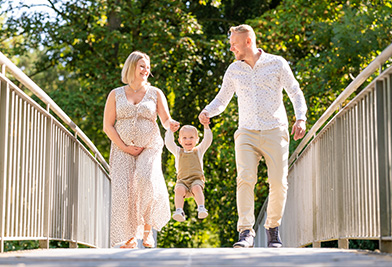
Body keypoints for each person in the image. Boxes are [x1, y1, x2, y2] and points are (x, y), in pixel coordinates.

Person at [199, 24, 307, 248]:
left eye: (234, 44)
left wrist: (301, 118)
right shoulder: (234, 70)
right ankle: (245, 232)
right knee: (245, 179)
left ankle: (272, 230)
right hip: (246, 132)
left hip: (275, 130)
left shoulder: (277, 63)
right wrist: (208, 110)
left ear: (248, 41)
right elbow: (222, 99)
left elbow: (295, 91)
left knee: (278, 183)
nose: (231, 49)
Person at [103, 51, 180, 248]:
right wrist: (125, 147)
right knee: (125, 189)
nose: (146, 70)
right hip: (122, 148)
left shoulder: (155, 93)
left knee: (147, 179)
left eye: (148, 67)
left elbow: (165, 119)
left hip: (150, 146)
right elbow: (108, 126)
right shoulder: (116, 94)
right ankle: (129, 236)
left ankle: (147, 232)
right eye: (142, 66)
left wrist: (171, 124)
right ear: (132, 67)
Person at [164, 122, 212, 222]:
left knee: (196, 188)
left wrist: (206, 127)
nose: (188, 140)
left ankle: (201, 207)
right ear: (180, 141)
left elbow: (207, 141)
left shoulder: (198, 151)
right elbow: (169, 143)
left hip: (196, 179)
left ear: (197, 139)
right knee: (179, 190)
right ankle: (179, 210)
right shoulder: (178, 152)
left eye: (191, 137)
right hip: (183, 181)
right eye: (184, 138)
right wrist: (170, 131)